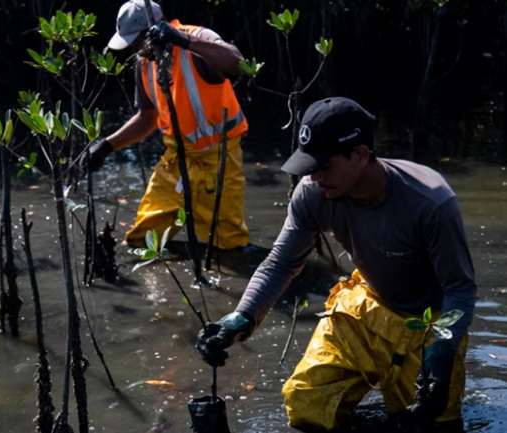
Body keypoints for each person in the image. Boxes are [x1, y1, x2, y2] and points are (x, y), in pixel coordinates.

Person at [195, 97, 476, 432]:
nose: (313, 179)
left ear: (358, 155)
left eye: (323, 166)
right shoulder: (313, 193)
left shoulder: (430, 202)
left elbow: (459, 288)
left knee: (431, 421)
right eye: (308, 168)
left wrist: (442, 347)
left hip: (427, 325)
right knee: (306, 404)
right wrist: (241, 318)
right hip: (366, 306)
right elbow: (281, 264)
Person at [86, 0, 250, 250]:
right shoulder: (145, 63)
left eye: (138, 40)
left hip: (220, 160)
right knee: (143, 240)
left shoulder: (197, 38)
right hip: (175, 160)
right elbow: (147, 118)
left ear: (154, 30)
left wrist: (184, 41)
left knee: (227, 246)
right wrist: (107, 146)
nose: (136, 48)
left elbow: (237, 64)